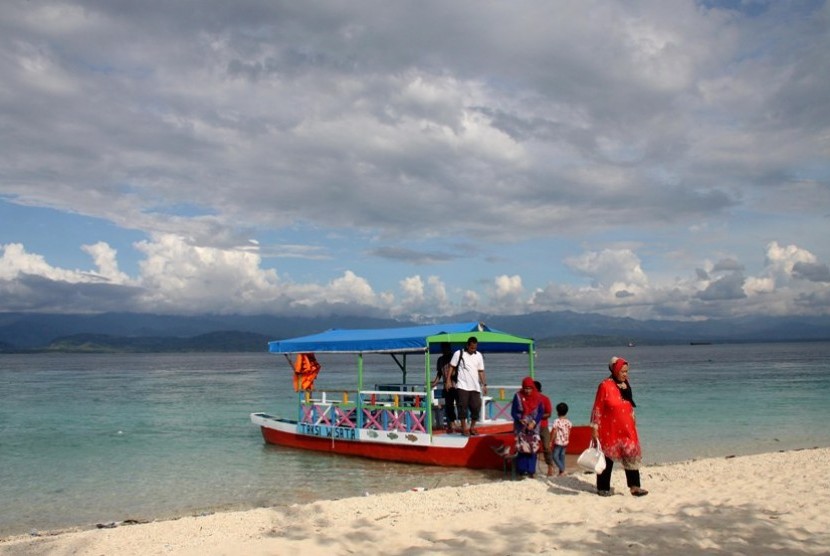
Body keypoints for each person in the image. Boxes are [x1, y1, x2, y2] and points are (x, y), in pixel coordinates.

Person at [590, 356, 648, 497]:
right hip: (609, 428)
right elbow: (597, 407)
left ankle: (634, 487)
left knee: (631, 455)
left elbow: (629, 404)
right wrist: (594, 428)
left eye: (626, 371)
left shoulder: (626, 385)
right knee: (607, 458)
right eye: (623, 371)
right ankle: (603, 488)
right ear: (615, 370)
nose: (625, 374)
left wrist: (633, 418)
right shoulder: (604, 385)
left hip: (627, 427)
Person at [450, 336, 487, 436]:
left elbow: (481, 371)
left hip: (475, 386)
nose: (473, 350)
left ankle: (472, 427)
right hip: (462, 385)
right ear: (467, 345)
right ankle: (464, 428)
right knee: (462, 407)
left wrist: (484, 384)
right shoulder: (459, 353)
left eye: (475, 348)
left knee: (476, 407)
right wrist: (448, 381)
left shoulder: (478, 355)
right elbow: (452, 367)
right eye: (472, 348)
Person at [511, 377, 544, 477]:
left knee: (532, 449)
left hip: (534, 427)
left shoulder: (538, 397)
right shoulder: (518, 396)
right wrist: (519, 419)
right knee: (522, 449)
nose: (527, 390)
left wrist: (534, 422)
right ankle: (521, 471)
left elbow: (541, 412)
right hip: (521, 427)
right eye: (525, 388)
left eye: (529, 388)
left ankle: (531, 471)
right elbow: (513, 411)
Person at [431, 342, 458, 432]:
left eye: (446, 348)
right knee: (449, 405)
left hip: (457, 385)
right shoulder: (440, 359)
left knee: (460, 405)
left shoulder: (455, 357)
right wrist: (435, 382)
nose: (444, 350)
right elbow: (439, 372)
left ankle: (461, 423)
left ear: (450, 348)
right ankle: (452, 424)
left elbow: (458, 371)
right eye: (443, 348)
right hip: (446, 386)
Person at [533, 380, 554, 476]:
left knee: (546, 447)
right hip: (531, 426)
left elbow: (549, 413)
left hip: (543, 426)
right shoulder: (528, 399)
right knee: (531, 447)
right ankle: (532, 469)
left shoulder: (545, 399)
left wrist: (537, 417)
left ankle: (550, 467)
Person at [551, 402, 572, 476]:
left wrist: (551, 441)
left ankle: (563, 469)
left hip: (558, 442)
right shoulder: (569, 422)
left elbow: (554, 431)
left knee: (555, 456)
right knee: (562, 456)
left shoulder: (556, 421)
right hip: (565, 442)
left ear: (557, 412)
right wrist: (567, 439)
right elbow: (568, 432)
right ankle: (561, 472)